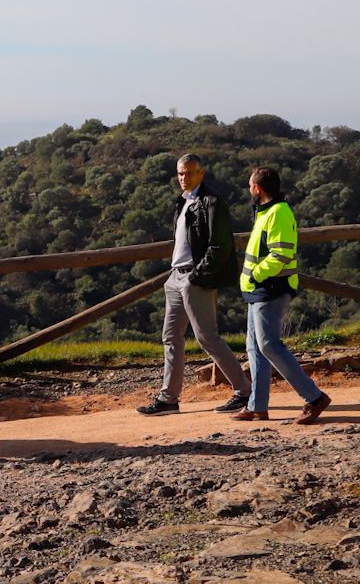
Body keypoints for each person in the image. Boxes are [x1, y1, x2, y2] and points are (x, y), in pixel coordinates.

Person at [136, 153, 251, 415]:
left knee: (206, 337)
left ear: (201, 173)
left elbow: (220, 246)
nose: (183, 178)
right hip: (175, 277)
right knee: (170, 337)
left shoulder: (212, 202)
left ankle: (244, 391)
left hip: (194, 278)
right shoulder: (182, 202)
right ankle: (169, 400)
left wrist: (197, 275)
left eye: (188, 173)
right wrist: (177, 275)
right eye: (180, 174)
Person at [231, 167, 331, 425]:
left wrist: (255, 276)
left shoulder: (278, 213)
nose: (249, 190)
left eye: (250, 185)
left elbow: (281, 255)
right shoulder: (266, 212)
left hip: (271, 288)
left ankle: (314, 397)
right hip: (259, 289)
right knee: (255, 347)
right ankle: (257, 406)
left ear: (257, 188)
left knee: (268, 345)